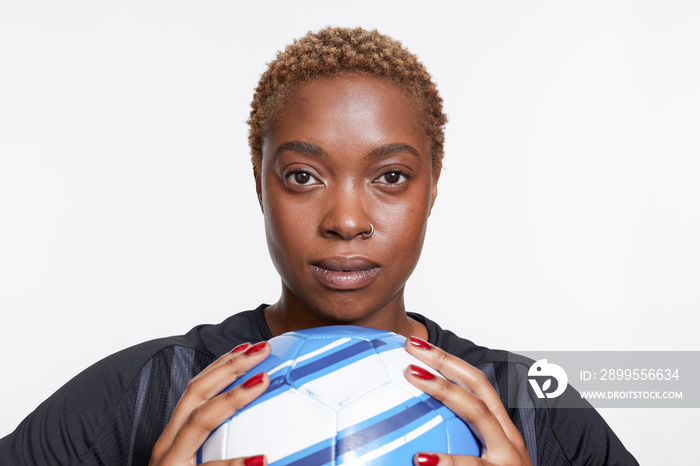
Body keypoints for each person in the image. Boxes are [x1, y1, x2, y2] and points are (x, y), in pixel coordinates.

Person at [0, 27, 638, 466]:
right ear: (260, 184)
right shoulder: (151, 390)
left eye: (390, 177)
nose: (346, 219)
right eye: (303, 176)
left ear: (433, 187)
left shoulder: (526, 400)